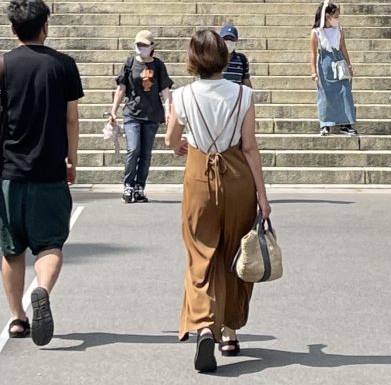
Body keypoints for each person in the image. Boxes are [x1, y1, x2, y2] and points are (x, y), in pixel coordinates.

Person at [0, 0, 83, 347]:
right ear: (45, 26)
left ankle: (18, 318)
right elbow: (71, 118)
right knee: (50, 245)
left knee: (12, 249)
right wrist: (72, 158)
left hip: (10, 174)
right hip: (50, 171)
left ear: (13, 28)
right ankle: (43, 291)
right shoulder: (65, 65)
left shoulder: (1, 65)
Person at [165, 29, 271, 373]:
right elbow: (250, 147)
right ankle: (229, 332)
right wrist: (262, 195)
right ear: (225, 57)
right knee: (235, 252)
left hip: (199, 175)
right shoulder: (243, 94)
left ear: (193, 60)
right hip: (238, 175)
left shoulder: (182, 96)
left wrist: (185, 147)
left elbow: (171, 139)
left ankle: (205, 325)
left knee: (200, 254)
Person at [108, 29, 173, 204]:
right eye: (138, 45)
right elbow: (121, 88)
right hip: (132, 113)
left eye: (144, 45)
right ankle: (128, 185)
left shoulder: (158, 66)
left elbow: (165, 91)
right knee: (133, 149)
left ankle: (139, 187)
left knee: (145, 153)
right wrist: (114, 110)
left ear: (152, 46)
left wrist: (168, 111)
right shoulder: (130, 63)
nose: (141, 48)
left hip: (152, 114)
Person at [310, 0, 358, 137]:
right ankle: (325, 123)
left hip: (339, 62)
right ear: (327, 16)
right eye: (335, 16)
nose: (337, 19)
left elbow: (343, 48)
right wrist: (313, 71)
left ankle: (346, 123)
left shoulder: (339, 30)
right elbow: (313, 53)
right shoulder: (316, 32)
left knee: (345, 91)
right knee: (325, 93)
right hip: (325, 63)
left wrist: (349, 65)